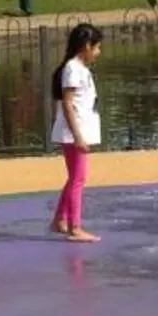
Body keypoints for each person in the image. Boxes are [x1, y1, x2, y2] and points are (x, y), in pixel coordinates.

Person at [49, 22, 105, 243]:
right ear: (86, 46)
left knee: (74, 178)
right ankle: (75, 227)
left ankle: (59, 220)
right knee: (78, 179)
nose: (98, 53)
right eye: (97, 47)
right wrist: (78, 136)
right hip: (74, 132)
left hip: (78, 130)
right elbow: (68, 103)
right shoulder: (73, 69)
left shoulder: (80, 69)